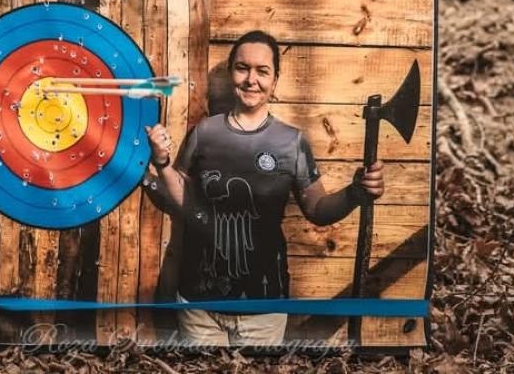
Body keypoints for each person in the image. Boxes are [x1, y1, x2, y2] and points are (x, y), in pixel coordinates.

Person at [143, 30, 385, 348]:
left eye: (262, 71)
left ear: (275, 79)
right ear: (231, 73)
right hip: (198, 304)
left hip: (265, 308)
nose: (251, 79)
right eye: (242, 68)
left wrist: (355, 193)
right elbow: (183, 200)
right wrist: (161, 165)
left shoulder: (291, 142)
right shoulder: (205, 133)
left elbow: (318, 209)